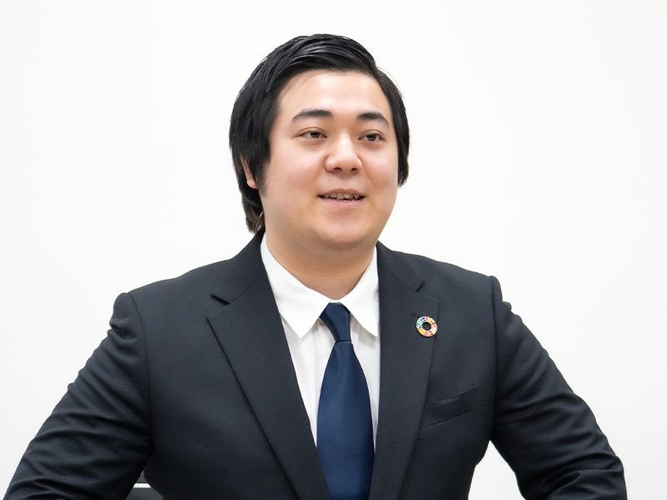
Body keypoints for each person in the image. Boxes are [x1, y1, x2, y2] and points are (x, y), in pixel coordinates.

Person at [6, 34, 626, 499]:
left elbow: (584, 474)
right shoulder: (159, 329)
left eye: (372, 137)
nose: (347, 158)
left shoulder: (471, 311)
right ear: (251, 167)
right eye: (313, 135)